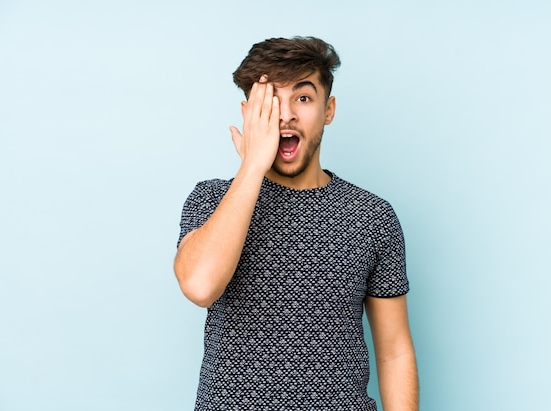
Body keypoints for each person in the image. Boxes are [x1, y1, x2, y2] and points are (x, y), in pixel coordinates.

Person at [174, 36, 418, 410]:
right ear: (248, 114)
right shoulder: (211, 199)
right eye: (271, 102)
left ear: (329, 109)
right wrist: (253, 165)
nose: (286, 115)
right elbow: (200, 286)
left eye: (302, 98)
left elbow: (394, 352)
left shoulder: (372, 217)